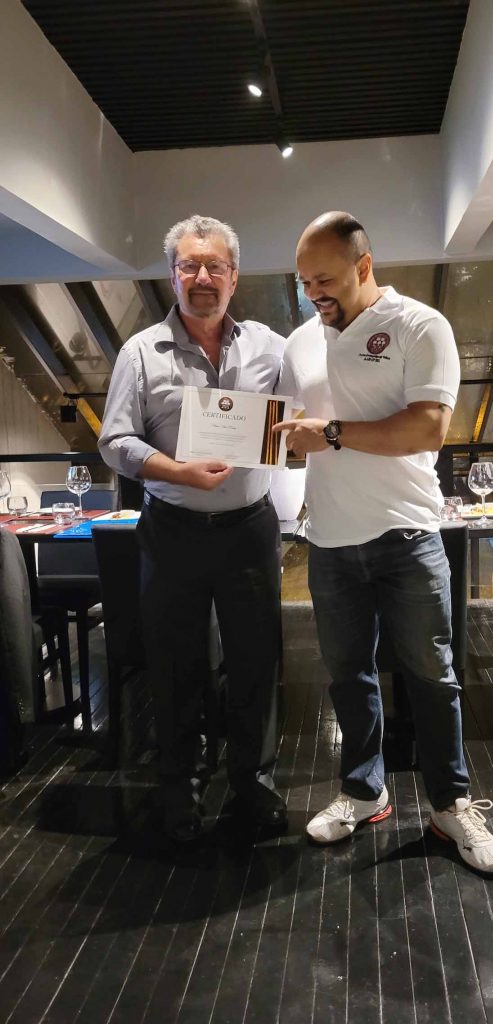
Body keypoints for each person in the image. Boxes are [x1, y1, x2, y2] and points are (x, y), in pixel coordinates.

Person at [274, 211, 493, 875]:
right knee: (349, 677)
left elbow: (428, 428)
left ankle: (450, 804)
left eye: (325, 279)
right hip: (330, 543)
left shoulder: (418, 325)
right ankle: (362, 789)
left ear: (363, 265)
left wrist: (335, 434)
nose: (314, 292)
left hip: (408, 536)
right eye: (304, 282)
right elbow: (297, 432)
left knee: (432, 677)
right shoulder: (300, 342)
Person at [99, 214, 287, 840]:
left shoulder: (270, 347)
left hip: (251, 529)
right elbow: (115, 442)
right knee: (177, 664)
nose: (202, 277)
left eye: (215, 266)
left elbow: (296, 421)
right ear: (172, 275)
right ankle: (179, 788)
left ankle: (253, 785)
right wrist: (175, 471)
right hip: (173, 529)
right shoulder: (140, 352)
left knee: (255, 660)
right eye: (189, 265)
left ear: (235, 277)